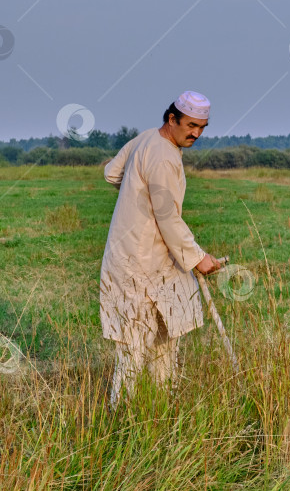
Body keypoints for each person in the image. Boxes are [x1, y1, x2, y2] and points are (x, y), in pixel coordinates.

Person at [99, 91, 222, 407]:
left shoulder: (145, 139)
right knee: (136, 345)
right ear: (173, 119)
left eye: (202, 127)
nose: (196, 133)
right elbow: (168, 218)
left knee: (165, 335)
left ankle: (159, 410)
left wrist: (136, 194)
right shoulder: (165, 157)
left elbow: (112, 172)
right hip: (141, 262)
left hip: (146, 257)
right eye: (191, 125)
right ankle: (121, 416)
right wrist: (198, 259)